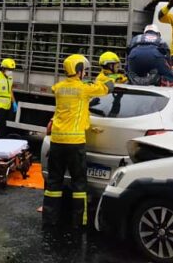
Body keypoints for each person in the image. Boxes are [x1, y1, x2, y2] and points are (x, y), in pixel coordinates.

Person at [43, 54, 114, 228]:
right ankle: (78, 222)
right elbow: (108, 88)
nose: (85, 73)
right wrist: (107, 75)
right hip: (75, 143)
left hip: (57, 140)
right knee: (79, 182)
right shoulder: (83, 89)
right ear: (79, 70)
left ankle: (50, 219)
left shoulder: (58, 88)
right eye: (84, 70)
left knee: (54, 182)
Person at [0, 58, 18, 139]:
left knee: (3, 127)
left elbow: (10, 91)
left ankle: (0, 141)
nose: (10, 71)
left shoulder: (10, 78)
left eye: (12, 70)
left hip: (6, 107)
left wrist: (14, 103)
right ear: (3, 68)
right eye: (9, 69)